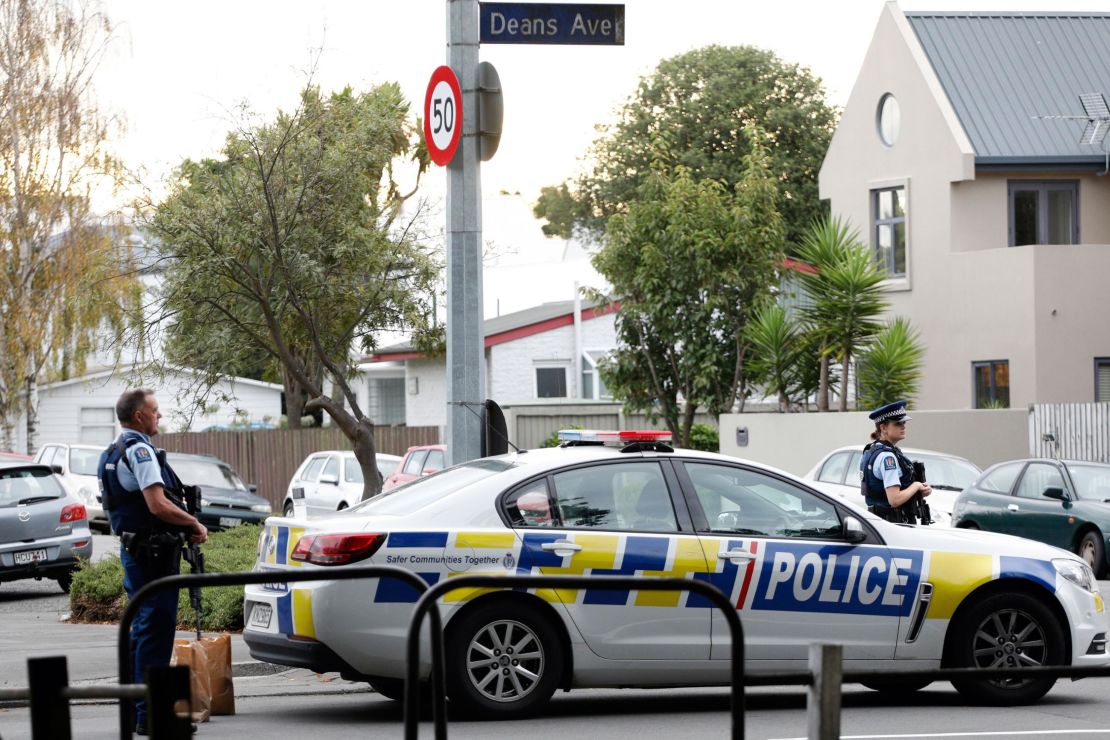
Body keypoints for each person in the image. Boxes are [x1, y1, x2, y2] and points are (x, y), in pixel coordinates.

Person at [98, 389, 207, 735]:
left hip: (136, 552)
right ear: (140, 416)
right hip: (153, 554)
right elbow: (157, 504)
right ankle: (153, 714)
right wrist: (192, 523)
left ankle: (134, 709)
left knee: (141, 628)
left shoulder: (112, 452)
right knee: (155, 630)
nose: (159, 416)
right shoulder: (141, 450)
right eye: (155, 411)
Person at [860, 400, 932, 524]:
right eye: (898, 423)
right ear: (883, 427)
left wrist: (919, 490)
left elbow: (880, 491)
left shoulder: (870, 451)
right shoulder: (888, 457)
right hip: (894, 524)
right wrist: (916, 485)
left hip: (879, 524)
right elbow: (895, 499)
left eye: (904, 422)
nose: (903, 426)